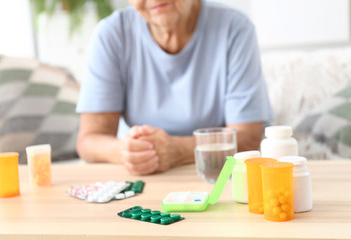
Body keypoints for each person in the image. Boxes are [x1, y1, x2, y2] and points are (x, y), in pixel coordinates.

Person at [76, 0, 273, 175]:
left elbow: (248, 138)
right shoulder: (111, 34)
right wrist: (128, 152)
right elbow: (90, 140)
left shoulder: (234, 28)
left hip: (214, 175)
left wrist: (177, 150)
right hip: (142, 177)